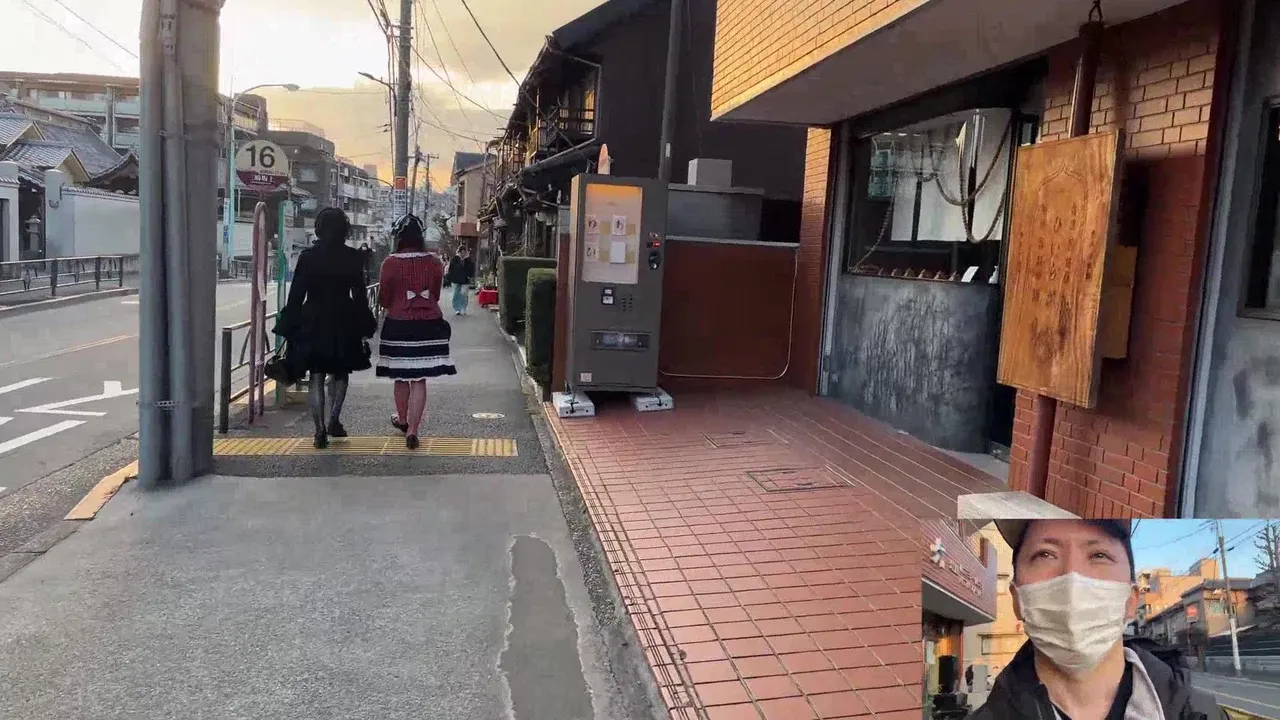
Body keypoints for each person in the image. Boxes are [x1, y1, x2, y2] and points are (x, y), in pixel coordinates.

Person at [969, 519, 1227, 720]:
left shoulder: (1203, 714)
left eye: (1099, 555)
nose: (1072, 577)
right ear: (1017, 600)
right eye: (1045, 554)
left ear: (1131, 600)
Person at [274, 207, 376, 449]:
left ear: (319, 229)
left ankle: (319, 431)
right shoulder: (352, 257)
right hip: (343, 319)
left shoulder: (308, 257)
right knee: (341, 372)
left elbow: (296, 295)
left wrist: (289, 323)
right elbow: (360, 295)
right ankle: (334, 420)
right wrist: (365, 322)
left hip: (313, 319)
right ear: (344, 229)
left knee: (316, 375)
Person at [375, 214, 457, 449]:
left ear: (399, 238)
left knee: (400, 375)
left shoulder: (390, 263)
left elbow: (384, 298)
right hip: (429, 324)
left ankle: (402, 420)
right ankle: (413, 430)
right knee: (419, 378)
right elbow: (436, 294)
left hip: (398, 323)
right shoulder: (434, 262)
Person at [445, 246, 475, 316]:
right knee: (456, 294)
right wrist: (449, 278)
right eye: (461, 252)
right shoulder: (455, 259)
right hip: (456, 279)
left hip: (465, 279)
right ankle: (457, 309)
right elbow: (451, 269)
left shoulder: (468, 260)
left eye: (464, 252)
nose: (463, 254)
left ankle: (463, 308)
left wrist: (469, 275)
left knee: (464, 294)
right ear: (459, 252)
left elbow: (471, 268)